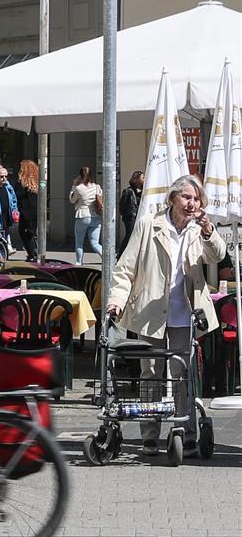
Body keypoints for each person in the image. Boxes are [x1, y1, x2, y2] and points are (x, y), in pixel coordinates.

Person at [107, 174, 225, 458]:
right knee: (150, 373)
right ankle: (150, 436)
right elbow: (126, 268)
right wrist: (116, 300)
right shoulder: (149, 225)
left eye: (196, 199)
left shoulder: (199, 230)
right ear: (172, 198)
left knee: (183, 375)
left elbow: (217, 255)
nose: (191, 203)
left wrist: (209, 230)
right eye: (186, 197)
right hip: (150, 312)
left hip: (186, 312)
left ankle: (185, 431)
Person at [69, 166, 103, 264]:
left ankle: (79, 262)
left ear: (80, 175)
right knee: (95, 243)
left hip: (82, 216)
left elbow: (72, 200)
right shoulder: (97, 187)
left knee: (79, 243)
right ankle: (106, 259)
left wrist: (73, 187)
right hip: (96, 217)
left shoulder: (79, 188)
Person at [14, 160, 39, 262]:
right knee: (31, 232)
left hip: (25, 211)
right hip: (35, 211)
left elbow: (17, 195)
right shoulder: (37, 182)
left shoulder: (22, 182)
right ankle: (33, 253)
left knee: (24, 232)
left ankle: (31, 254)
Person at [117, 170, 144, 258]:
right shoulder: (128, 191)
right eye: (142, 177)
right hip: (130, 217)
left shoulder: (143, 191)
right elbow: (122, 205)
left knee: (139, 236)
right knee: (130, 235)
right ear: (137, 179)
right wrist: (126, 215)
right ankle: (120, 255)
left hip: (139, 216)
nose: (144, 179)